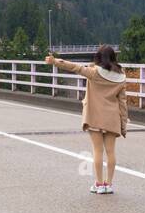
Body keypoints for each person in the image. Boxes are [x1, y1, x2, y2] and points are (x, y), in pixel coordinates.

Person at [46, 45, 128, 194]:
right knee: (111, 152)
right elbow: (123, 103)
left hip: (95, 116)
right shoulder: (121, 77)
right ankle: (109, 184)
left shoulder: (94, 73)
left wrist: (54, 61)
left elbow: (75, 67)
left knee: (97, 151)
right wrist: (123, 124)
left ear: (98, 58)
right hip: (112, 118)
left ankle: (98, 184)